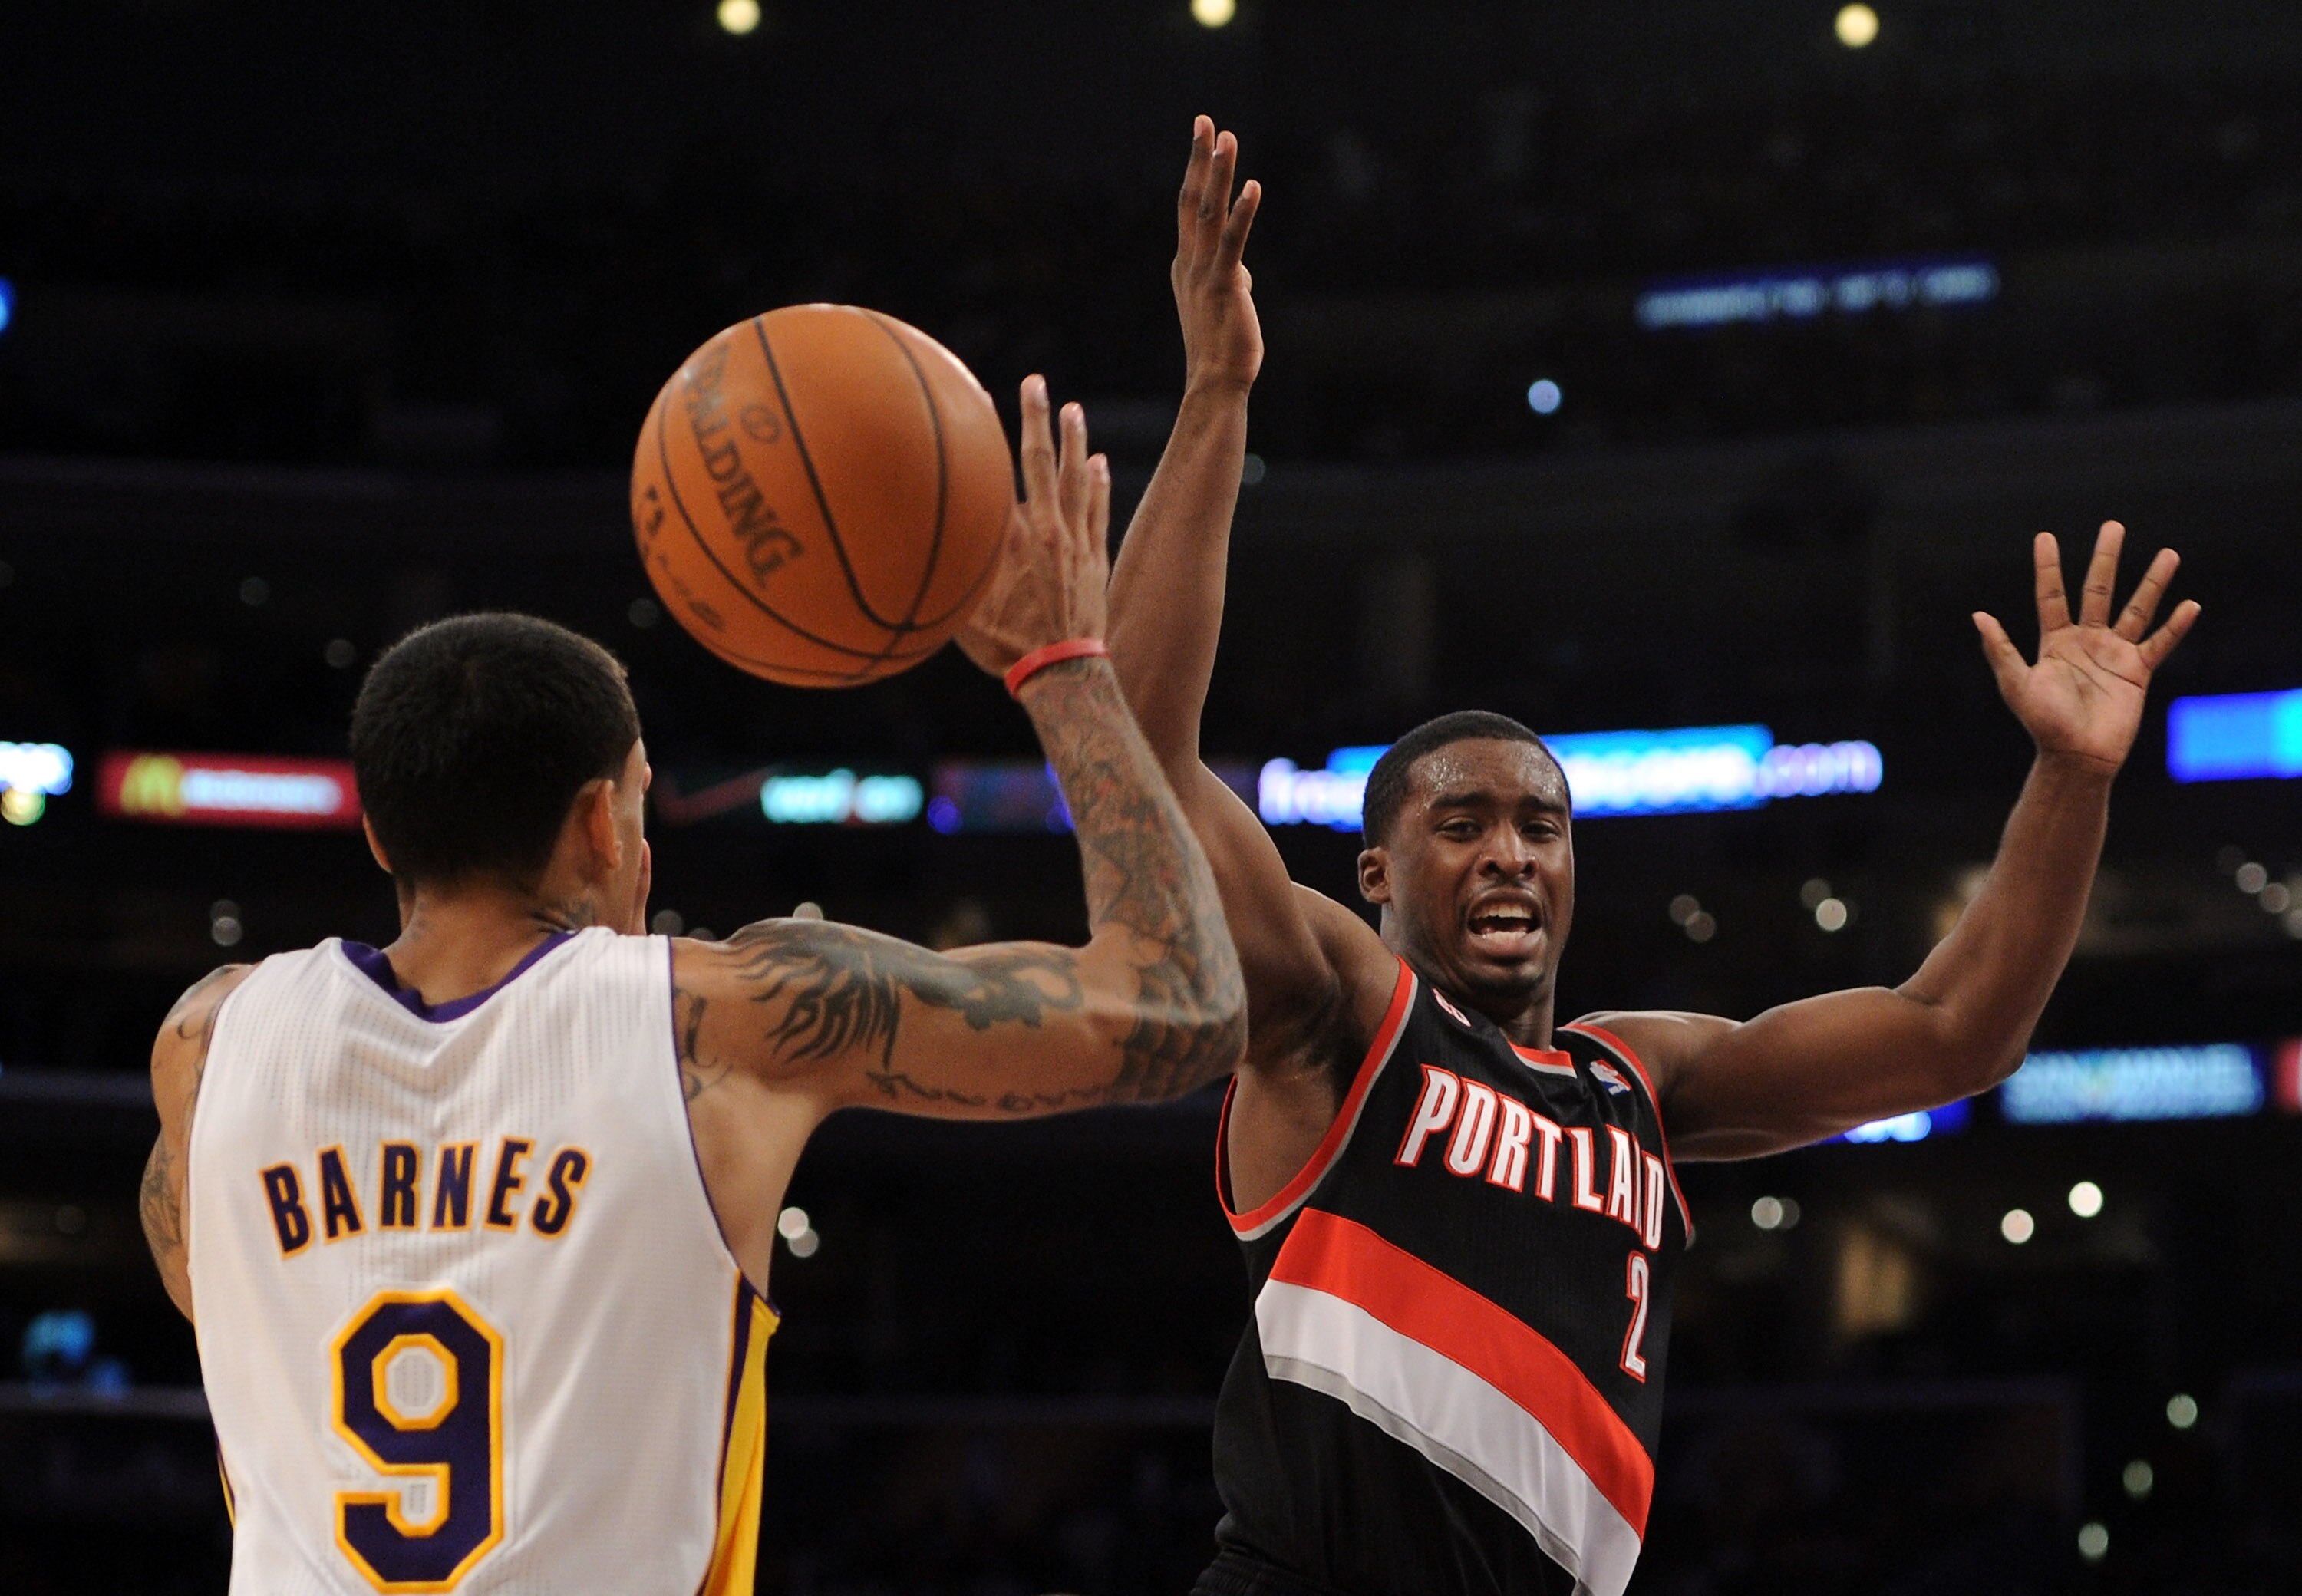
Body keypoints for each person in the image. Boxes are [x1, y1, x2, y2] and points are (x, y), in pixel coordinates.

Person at [1106, 118, 2201, 1596]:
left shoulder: (1641, 1084)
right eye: (1463, 823)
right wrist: (1220, 392)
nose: (1511, 855)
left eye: (1543, 827)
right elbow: (1146, 762)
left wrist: (2072, 779)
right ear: (1374, 876)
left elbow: (1956, 1033)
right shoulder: (1341, 1015)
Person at [137, 378, 1245, 1596]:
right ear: (601, 830)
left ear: (382, 840)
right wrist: (1063, 663)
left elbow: (240, 1309)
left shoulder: (210, 1039)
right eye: (636, 797)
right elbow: (1180, 1011)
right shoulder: (726, 1020)